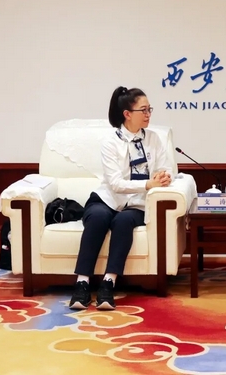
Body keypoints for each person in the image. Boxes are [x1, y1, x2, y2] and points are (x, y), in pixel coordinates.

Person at [69, 86, 172, 310]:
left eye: (149, 109)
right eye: (143, 110)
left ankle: (108, 283)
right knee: (97, 218)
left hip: (137, 204)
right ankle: (82, 283)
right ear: (127, 114)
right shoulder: (110, 143)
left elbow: (165, 168)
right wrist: (148, 183)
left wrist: (163, 176)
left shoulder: (154, 139)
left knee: (124, 221)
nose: (148, 114)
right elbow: (115, 183)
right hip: (108, 199)